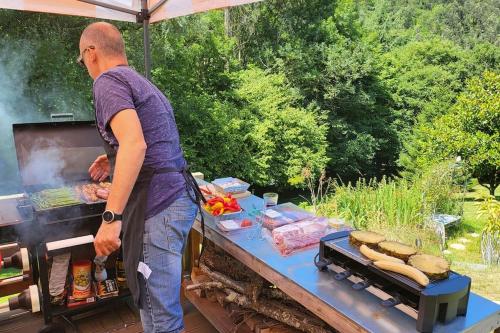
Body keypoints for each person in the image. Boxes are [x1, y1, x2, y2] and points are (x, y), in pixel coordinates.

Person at [79, 22, 200, 333]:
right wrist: (113, 158)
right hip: (178, 197)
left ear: (91, 53)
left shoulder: (107, 81)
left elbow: (136, 144)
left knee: (160, 317)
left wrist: (111, 217)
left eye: (82, 60)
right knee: (163, 305)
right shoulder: (140, 82)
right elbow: (154, 141)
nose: (85, 67)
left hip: (157, 206)